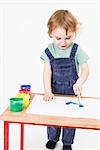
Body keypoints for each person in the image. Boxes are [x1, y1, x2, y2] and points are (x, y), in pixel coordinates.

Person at [40, 9, 89, 150]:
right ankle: (52, 138)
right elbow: (46, 73)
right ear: (51, 34)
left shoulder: (77, 50)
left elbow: (86, 70)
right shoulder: (49, 51)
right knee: (53, 116)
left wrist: (79, 82)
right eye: (58, 38)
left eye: (68, 38)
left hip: (72, 90)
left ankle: (67, 143)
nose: (63, 42)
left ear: (74, 33)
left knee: (70, 118)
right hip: (54, 90)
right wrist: (47, 91)